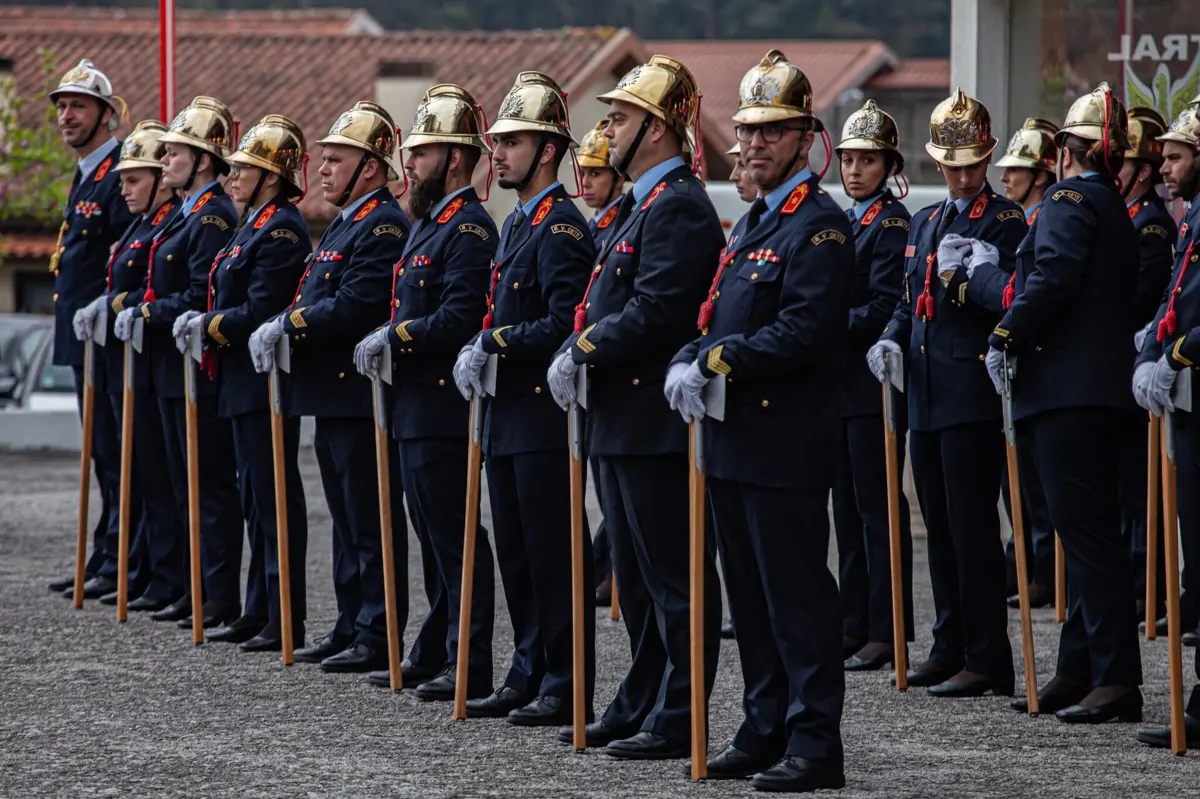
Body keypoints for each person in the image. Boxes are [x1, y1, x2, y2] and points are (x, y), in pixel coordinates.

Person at [666, 49, 852, 792]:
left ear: (807, 138)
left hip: (786, 441)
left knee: (797, 599)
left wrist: (718, 363)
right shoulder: (752, 224)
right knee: (749, 599)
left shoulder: (821, 226)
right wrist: (692, 353)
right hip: (734, 440)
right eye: (748, 133)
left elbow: (805, 329)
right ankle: (764, 722)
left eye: (773, 133)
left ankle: (815, 741)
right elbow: (715, 316)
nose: (755, 145)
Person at [547, 53, 723, 760]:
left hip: (654, 421)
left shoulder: (677, 203)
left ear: (655, 128)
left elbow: (656, 311)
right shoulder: (642, 204)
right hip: (620, 420)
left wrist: (583, 348)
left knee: (675, 581)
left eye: (620, 117)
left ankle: (680, 713)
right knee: (641, 586)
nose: (608, 128)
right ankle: (641, 697)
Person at [988, 82, 1144, 723]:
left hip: (1066, 391)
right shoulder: (1109, 202)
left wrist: (1006, 332)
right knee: (1088, 536)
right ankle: (1079, 666)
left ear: (1067, 153)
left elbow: (1050, 276)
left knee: (1087, 538)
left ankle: (1114, 677)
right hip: (1094, 391)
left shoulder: (1069, 198)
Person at [448, 71, 596, 725]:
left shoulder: (561, 227)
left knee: (550, 555)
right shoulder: (517, 226)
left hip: (541, 416)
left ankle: (566, 677)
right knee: (514, 552)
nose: (498, 153)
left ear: (547, 150)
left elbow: (566, 322)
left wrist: (495, 341)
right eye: (498, 141)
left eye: (512, 142)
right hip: (507, 415)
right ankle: (529, 666)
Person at [868, 88, 1026, 697]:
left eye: (971, 165)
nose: (961, 176)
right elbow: (911, 303)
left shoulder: (1004, 218)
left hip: (971, 391)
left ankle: (988, 656)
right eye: (951, 165)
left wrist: (980, 275)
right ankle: (949, 641)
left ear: (986, 158)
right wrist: (890, 338)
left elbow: (1013, 296)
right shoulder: (928, 220)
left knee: (971, 527)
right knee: (935, 520)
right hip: (927, 392)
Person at [252, 102, 408, 674]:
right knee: (344, 517)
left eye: (336, 159)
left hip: (357, 395)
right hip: (330, 394)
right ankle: (351, 621)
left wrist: (290, 323)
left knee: (369, 518)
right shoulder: (347, 221)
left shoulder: (384, 224)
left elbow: (356, 303)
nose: (321, 168)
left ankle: (377, 628)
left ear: (370, 167)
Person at [355, 85, 498, 700]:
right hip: (413, 404)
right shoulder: (431, 222)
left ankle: (471, 658)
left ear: (456, 159)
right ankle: (439, 646)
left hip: (441, 405)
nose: (408, 164)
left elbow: (460, 315)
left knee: (455, 536)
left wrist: (397, 335)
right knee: (431, 535)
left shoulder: (467, 226)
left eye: (421, 152)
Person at [182, 116, 312, 651]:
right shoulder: (252, 223)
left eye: (245, 168)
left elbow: (260, 308)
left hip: (263, 383)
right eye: (234, 166)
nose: (233, 175)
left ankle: (283, 613)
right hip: (239, 380)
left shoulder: (281, 228)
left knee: (273, 498)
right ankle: (260, 606)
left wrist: (208, 325)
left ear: (272, 178)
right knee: (257, 501)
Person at [113, 96, 242, 629]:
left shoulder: (211, 216)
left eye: (175, 153)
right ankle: (194, 585)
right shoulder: (185, 215)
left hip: (195, 365)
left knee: (208, 483)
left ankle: (217, 592)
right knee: (182, 481)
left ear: (205, 160)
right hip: (169, 367)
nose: (165, 161)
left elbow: (196, 294)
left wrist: (145, 310)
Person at [71, 120, 181, 609]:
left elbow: (164, 292)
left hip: (151, 364)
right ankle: (135, 566)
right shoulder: (142, 226)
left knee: (155, 476)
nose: (124, 189)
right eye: (121, 180)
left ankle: (159, 574)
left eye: (133, 179)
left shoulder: (167, 224)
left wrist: (119, 306)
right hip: (125, 360)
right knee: (128, 469)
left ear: (160, 179)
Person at [46, 59, 134, 600]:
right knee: (102, 454)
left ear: (106, 114)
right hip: (82, 334)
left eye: (78, 105)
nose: (66, 117)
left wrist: (109, 302)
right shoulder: (86, 173)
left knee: (117, 452)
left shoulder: (118, 171)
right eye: (61, 107)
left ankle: (120, 559)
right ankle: (105, 554)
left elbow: (125, 255)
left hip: (108, 337)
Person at [831, 99, 914, 672]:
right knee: (847, 510)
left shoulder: (890, 222)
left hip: (871, 381)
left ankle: (888, 628)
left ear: (889, 166)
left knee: (877, 509)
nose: (855, 170)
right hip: (840, 383)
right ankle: (854, 622)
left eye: (867, 160)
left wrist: (823, 322)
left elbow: (885, 304)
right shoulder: (847, 220)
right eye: (849, 159)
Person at [1134, 103, 1200, 746]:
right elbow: (1178, 292)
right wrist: (1155, 339)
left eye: (1176, 156)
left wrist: (1180, 353)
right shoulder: (1191, 218)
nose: (1165, 167)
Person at [994, 118, 1060, 610]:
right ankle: (1027, 560)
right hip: (1017, 364)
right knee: (1018, 480)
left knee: (1039, 481)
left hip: (1044, 364)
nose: (1006, 178)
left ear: (1041, 175)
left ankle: (1043, 567)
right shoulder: (1025, 221)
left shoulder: (1049, 219)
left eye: (1017, 169)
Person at [1119, 107, 1175, 629]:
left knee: (1141, 490)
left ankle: (1147, 586)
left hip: (1139, 362)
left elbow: (1138, 295)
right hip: (1121, 367)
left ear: (1144, 170)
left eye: (1126, 163)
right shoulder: (1122, 216)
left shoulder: (1151, 223)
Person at [576, 118, 625, 607]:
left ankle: (610, 567)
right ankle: (605, 565)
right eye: (584, 173)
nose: (587, 183)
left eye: (596, 174)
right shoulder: (593, 227)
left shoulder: (620, 223)